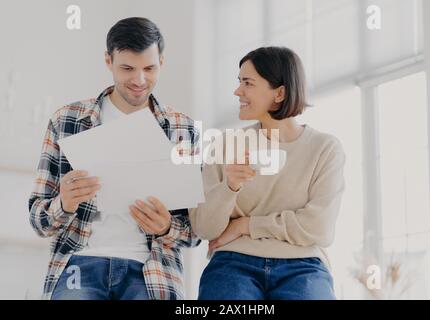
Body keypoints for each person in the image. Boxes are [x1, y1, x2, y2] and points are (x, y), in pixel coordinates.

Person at [28, 17, 200, 300]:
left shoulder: (184, 129)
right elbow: (38, 221)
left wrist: (167, 227)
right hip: (79, 263)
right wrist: (64, 203)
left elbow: (195, 232)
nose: (139, 80)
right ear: (108, 60)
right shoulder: (67, 120)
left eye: (149, 68)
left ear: (162, 62)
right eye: (127, 68)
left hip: (151, 269)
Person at [189, 46, 346, 300]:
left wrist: (245, 225)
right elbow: (205, 228)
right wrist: (229, 187)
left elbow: (319, 227)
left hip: (303, 264)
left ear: (280, 93)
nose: (237, 91)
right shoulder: (225, 145)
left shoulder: (324, 149)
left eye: (248, 83)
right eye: (239, 82)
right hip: (233, 262)